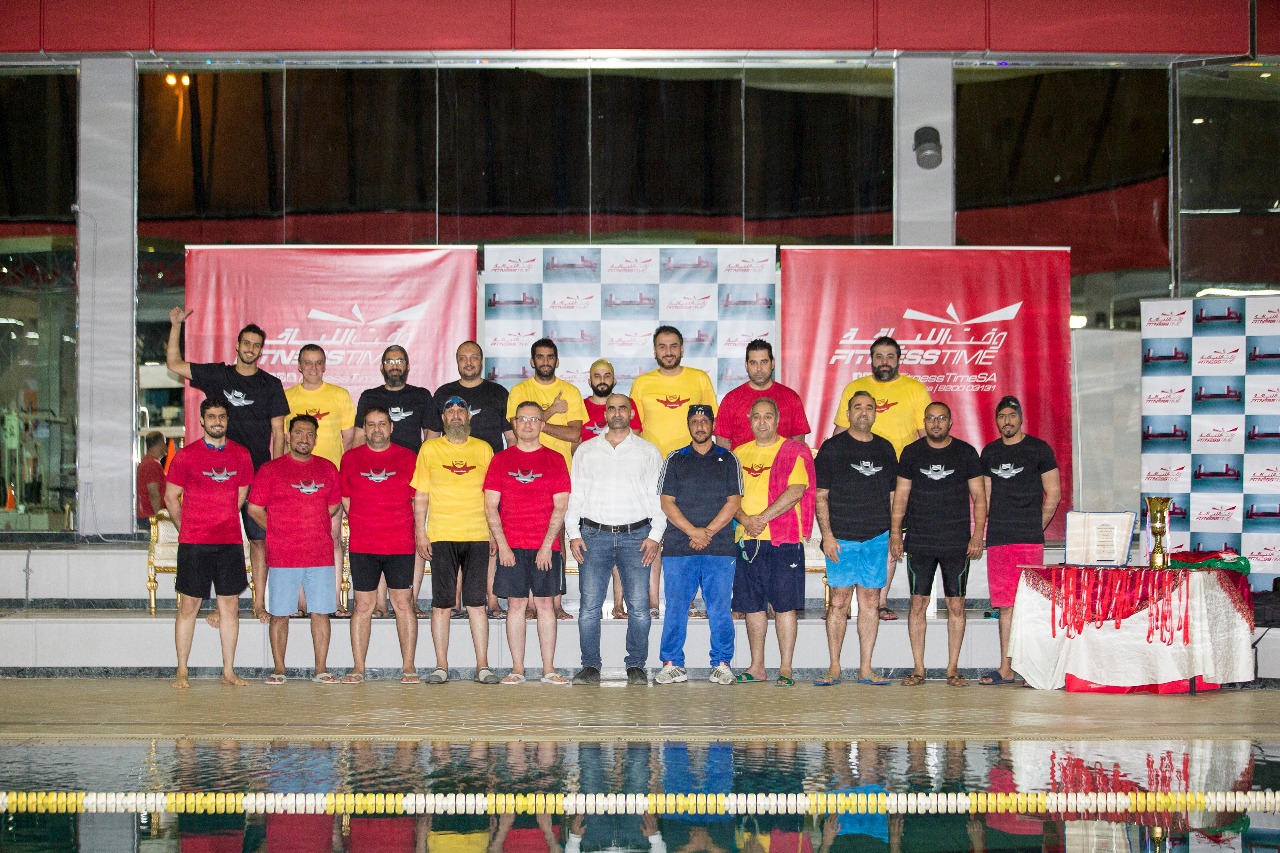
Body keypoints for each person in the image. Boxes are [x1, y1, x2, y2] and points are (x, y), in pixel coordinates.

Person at [167, 307, 289, 620]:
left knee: (259, 542)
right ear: (237, 346)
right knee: (220, 545)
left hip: (259, 475)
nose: (251, 349)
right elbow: (173, 363)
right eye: (246, 343)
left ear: (262, 350)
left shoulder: (271, 385)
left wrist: (277, 475)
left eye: (257, 345)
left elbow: (278, 432)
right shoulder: (217, 375)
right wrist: (176, 326)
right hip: (218, 477)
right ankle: (223, 608)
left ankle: (259, 603)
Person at [565, 394, 666, 686]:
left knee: (638, 606)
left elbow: (657, 498)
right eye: (612, 408)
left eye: (623, 407)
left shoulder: (648, 451)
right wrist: (573, 534)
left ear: (631, 413)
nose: (618, 412)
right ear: (605, 413)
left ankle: (636, 664)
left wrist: (655, 536)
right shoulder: (586, 450)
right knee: (589, 607)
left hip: (637, 537)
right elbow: (577, 497)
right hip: (593, 536)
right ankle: (590, 666)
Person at [832, 336, 932, 623]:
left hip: (898, 479)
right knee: (854, 539)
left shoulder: (914, 389)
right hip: (857, 481)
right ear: (871, 359)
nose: (884, 361)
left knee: (890, 535)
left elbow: (926, 438)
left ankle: (880, 601)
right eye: (878, 356)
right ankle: (849, 603)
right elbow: (839, 434)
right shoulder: (855, 388)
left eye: (890, 356)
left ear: (898, 359)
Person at [890, 401, 986, 687]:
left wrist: (978, 534)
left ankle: (953, 669)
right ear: (925, 421)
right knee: (917, 603)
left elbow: (980, 498)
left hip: (956, 542)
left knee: (956, 605)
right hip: (919, 540)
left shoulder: (966, 453)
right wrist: (896, 533)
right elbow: (901, 497)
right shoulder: (911, 453)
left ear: (950, 422)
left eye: (941, 418)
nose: (935, 423)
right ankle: (918, 669)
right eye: (930, 419)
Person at [162, 397, 253, 688]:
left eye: (222, 416)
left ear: (228, 420)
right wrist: (186, 526)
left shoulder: (241, 454)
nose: (217, 421)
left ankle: (228, 671)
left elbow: (240, 497)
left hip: (228, 541)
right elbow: (170, 497)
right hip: (194, 543)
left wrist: (221, 518)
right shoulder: (186, 456)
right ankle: (182, 671)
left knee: (230, 607)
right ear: (201, 420)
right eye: (211, 416)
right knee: (188, 606)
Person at [628, 325, 718, 615]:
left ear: (682, 349)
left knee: (684, 534)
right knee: (654, 533)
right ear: (655, 351)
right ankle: (653, 602)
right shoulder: (642, 383)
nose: (668, 351)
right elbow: (635, 429)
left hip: (690, 467)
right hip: (651, 469)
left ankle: (687, 602)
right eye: (662, 346)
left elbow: (709, 425)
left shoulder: (699, 378)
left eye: (673, 346)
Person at [247, 415, 342, 685]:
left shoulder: (327, 468)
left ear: (316, 438)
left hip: (320, 554)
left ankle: (321, 669)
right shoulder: (270, 470)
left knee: (320, 613)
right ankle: (279, 669)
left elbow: (334, 505)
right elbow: (254, 509)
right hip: (283, 556)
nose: (304, 438)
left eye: (310, 434)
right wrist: (277, 529)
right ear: (288, 436)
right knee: (279, 614)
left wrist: (314, 522)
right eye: (299, 433)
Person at [412, 395, 500, 685]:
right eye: (450, 412)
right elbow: (421, 496)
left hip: (477, 535)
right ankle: (441, 666)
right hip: (441, 535)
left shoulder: (484, 449)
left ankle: (483, 666)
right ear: (443, 420)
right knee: (441, 604)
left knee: (477, 603)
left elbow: (493, 497)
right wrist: (420, 533)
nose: (456, 416)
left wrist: (493, 533)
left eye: (461, 411)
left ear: (468, 418)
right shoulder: (429, 449)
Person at [483, 401, 572, 684]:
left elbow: (561, 507)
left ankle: (548, 668)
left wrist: (547, 546)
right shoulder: (501, 460)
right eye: (523, 419)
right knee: (517, 605)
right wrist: (504, 546)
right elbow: (490, 506)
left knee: (546, 605)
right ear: (515, 424)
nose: (529, 424)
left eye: (534, 419)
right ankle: (517, 668)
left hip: (546, 547)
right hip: (512, 547)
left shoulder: (555, 459)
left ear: (542, 425)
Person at [813, 390, 897, 686]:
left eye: (869, 407)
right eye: (857, 407)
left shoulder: (886, 449)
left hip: (877, 538)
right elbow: (820, 495)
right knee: (838, 602)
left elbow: (892, 496)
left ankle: (866, 668)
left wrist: (895, 534)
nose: (864, 412)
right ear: (847, 414)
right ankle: (834, 667)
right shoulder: (832, 448)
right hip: (842, 539)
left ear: (876, 413)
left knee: (871, 601)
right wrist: (827, 536)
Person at [654, 405, 743, 685]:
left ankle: (722, 663)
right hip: (680, 548)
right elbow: (666, 502)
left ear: (712, 425)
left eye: (705, 421)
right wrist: (693, 532)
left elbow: (734, 502)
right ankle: (671, 663)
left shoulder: (728, 459)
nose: (700, 426)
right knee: (677, 607)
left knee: (719, 609)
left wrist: (708, 533)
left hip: (719, 549)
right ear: (689, 425)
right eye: (695, 421)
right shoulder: (675, 459)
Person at [731, 398, 815, 686]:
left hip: (783, 540)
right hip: (747, 540)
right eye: (757, 416)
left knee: (784, 605)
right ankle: (757, 667)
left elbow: (796, 490)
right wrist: (745, 520)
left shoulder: (794, 450)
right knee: (752, 607)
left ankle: (786, 668)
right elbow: (730, 497)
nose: (762, 422)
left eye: (768, 416)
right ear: (750, 420)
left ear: (778, 420)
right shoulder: (738, 453)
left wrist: (761, 518)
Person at [979, 395, 1061, 686]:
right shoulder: (989, 452)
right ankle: (1006, 668)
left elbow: (1054, 493)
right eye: (1002, 416)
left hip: (1028, 539)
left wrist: (1034, 526)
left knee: (1030, 605)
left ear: (1021, 418)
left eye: (1012, 416)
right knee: (1005, 606)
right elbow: (984, 499)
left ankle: (1030, 669)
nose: (1007, 421)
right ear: (997, 421)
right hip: (999, 539)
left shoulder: (1038, 449)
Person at [355, 345, 439, 620]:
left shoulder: (421, 396)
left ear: (407, 365)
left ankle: (410, 600)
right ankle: (379, 603)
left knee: (414, 537)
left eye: (399, 360)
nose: (394, 365)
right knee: (379, 541)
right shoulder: (369, 397)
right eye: (389, 361)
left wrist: (428, 474)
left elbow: (432, 436)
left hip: (412, 478)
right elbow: (358, 437)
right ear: (382, 367)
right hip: (375, 478)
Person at [433, 340, 515, 620]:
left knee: (490, 539)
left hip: (490, 478)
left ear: (482, 361)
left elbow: (512, 438)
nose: (469, 362)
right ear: (456, 361)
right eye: (463, 358)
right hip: (451, 481)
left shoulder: (498, 392)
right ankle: (454, 601)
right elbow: (432, 438)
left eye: (474, 358)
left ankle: (492, 601)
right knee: (455, 541)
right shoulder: (444, 393)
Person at [505, 338, 586, 621]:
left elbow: (574, 435)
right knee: (523, 537)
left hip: (557, 472)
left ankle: (556, 603)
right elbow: (517, 434)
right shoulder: (519, 390)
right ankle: (527, 603)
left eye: (550, 357)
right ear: (532, 361)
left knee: (557, 538)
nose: (545, 361)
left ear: (557, 360)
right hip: (521, 474)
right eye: (540, 357)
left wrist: (538, 424)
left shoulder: (571, 391)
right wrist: (551, 412)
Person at [339, 406, 420, 685]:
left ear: (391, 427)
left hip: (400, 544)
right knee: (363, 606)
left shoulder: (408, 457)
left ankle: (408, 667)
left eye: (382, 424)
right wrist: (365, 522)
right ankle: (358, 667)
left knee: (402, 604)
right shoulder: (350, 459)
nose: (377, 429)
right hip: (364, 544)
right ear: (365, 428)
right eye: (371, 424)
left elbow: (415, 501)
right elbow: (346, 500)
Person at [284, 343, 355, 614]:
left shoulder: (339, 395)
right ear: (299, 366)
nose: (313, 368)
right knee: (297, 540)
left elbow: (348, 440)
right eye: (308, 362)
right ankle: (300, 603)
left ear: (325, 366)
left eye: (318, 362)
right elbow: (281, 440)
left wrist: (340, 473)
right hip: (293, 481)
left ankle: (334, 601)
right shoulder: (287, 396)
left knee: (333, 539)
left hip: (329, 480)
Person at [580, 358, 643, 619]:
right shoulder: (581, 406)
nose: (602, 379)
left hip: (623, 481)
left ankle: (619, 604)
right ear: (590, 380)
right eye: (597, 375)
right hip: (594, 483)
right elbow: (577, 444)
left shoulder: (627, 407)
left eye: (607, 375)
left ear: (615, 379)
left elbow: (635, 438)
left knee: (622, 540)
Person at [714, 339, 810, 450]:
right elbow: (722, 444)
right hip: (743, 466)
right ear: (746, 365)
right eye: (753, 363)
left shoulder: (791, 398)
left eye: (764, 362)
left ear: (772, 363)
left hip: (781, 466)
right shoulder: (731, 400)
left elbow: (798, 445)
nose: (759, 369)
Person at [137, 431, 167, 529]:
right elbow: (154, 493)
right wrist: (158, 519)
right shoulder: (151, 464)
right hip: (149, 517)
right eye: (164, 443)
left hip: (147, 516)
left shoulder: (148, 462)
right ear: (160, 443)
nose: (165, 447)